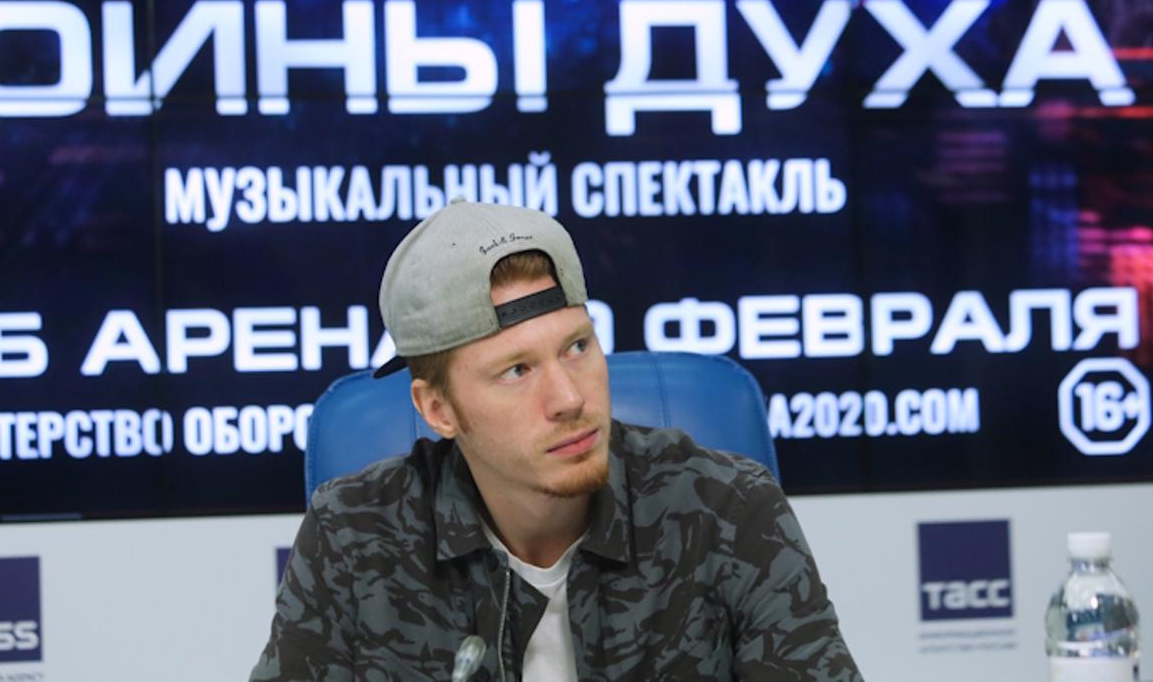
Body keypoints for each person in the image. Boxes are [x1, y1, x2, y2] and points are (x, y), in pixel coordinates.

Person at [249, 200, 861, 681]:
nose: (570, 397)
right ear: (438, 409)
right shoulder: (354, 537)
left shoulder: (725, 509)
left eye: (577, 347)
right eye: (516, 370)